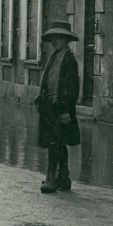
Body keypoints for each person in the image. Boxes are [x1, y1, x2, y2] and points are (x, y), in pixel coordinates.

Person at [34, 21, 81, 193]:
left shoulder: (68, 58)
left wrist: (65, 110)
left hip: (60, 108)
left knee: (54, 143)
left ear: (67, 39)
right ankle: (64, 178)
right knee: (59, 143)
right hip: (50, 108)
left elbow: (71, 87)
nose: (56, 41)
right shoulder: (54, 56)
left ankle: (51, 179)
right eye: (54, 38)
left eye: (60, 37)